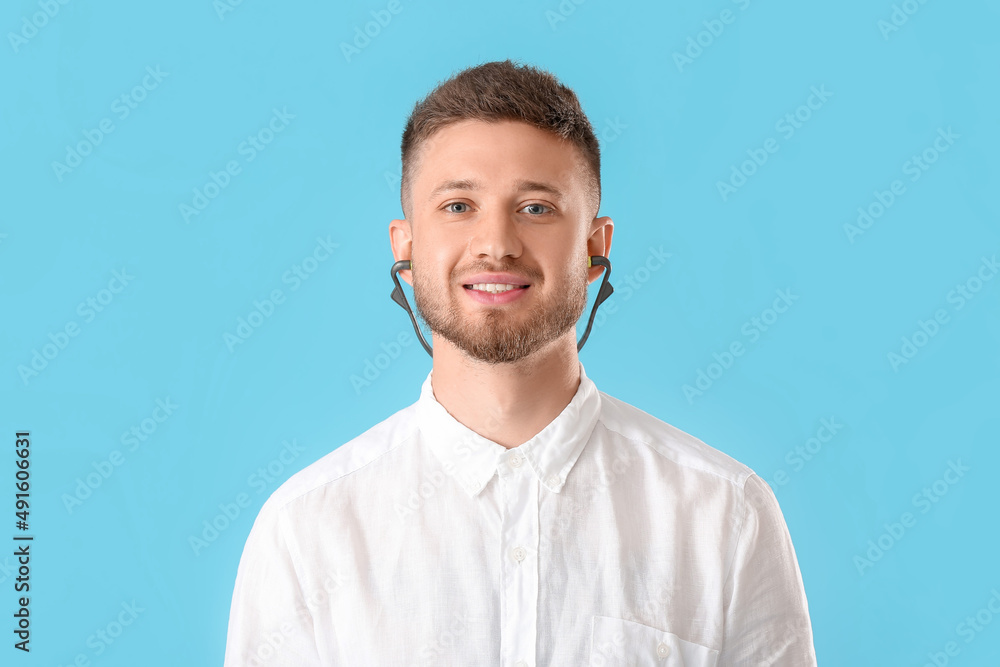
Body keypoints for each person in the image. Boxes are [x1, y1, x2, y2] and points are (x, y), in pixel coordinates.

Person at [224, 59, 817, 666]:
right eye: (458, 206)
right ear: (407, 247)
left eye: (535, 208)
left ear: (595, 247)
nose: (496, 245)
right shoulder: (305, 530)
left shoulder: (725, 514)